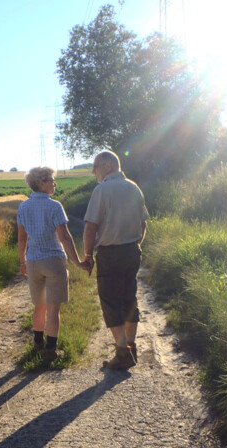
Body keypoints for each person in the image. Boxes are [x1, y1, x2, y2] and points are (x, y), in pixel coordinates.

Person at [83, 151, 149, 370]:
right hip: (132, 250)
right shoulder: (134, 187)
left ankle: (122, 353)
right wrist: (137, 245)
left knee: (110, 301)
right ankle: (131, 347)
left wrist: (87, 254)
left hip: (110, 253)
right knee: (129, 298)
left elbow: (90, 226)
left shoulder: (102, 190)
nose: (95, 173)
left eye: (96, 168)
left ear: (108, 166)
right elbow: (144, 223)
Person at [17, 166, 91, 363]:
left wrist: (22, 261)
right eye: (51, 180)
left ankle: (38, 344)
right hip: (54, 261)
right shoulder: (55, 206)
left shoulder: (23, 207)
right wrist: (77, 261)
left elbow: (22, 239)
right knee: (53, 309)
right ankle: (51, 349)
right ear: (41, 183)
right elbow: (65, 237)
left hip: (33, 261)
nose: (54, 184)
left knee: (39, 307)